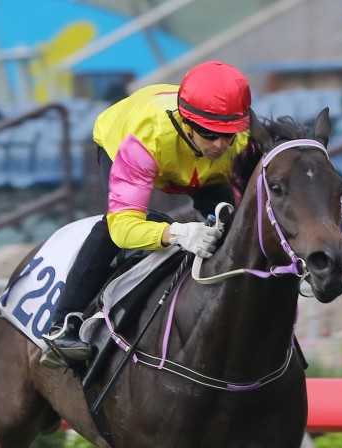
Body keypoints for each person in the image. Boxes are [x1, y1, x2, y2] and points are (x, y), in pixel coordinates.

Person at [42, 60, 253, 367]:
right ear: (187, 122)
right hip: (129, 145)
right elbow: (124, 228)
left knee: (230, 228)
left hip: (199, 169)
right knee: (113, 228)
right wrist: (177, 233)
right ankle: (64, 323)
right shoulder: (144, 140)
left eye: (228, 135)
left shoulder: (243, 142)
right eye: (209, 133)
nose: (220, 145)